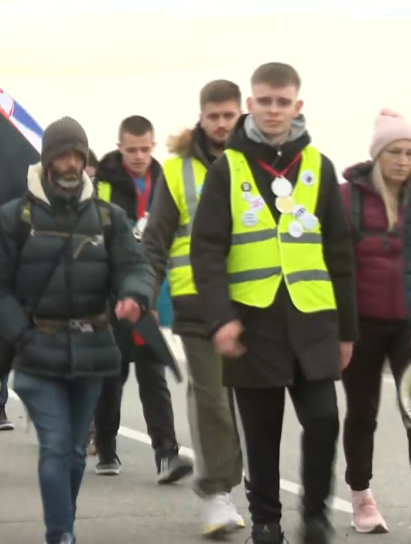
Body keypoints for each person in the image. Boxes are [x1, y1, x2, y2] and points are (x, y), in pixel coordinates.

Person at [190, 62, 356, 544]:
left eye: (283, 102)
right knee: (261, 435)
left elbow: (339, 254)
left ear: (297, 106)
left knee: (325, 419)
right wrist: (220, 317)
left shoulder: (319, 167)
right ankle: (266, 521)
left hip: (313, 323)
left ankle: (317, 514)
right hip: (253, 323)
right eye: (265, 101)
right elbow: (207, 251)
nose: (274, 110)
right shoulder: (229, 168)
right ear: (250, 105)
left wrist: (348, 330)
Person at [0, 116, 154, 544]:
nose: (71, 165)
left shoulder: (110, 219)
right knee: (55, 445)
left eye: (78, 156)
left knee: (74, 453)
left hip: (93, 350)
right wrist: (21, 333)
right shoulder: (14, 217)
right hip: (36, 351)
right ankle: (61, 535)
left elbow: (136, 267)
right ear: (47, 161)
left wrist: (134, 295)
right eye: (62, 156)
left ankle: (63, 526)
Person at [140, 79, 246, 537]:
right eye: (214, 116)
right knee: (213, 399)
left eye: (229, 115)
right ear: (201, 118)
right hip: (196, 302)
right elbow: (156, 240)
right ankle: (216, 491)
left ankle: (252, 489)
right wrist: (144, 292)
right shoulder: (177, 170)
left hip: (254, 299)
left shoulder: (258, 164)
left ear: (241, 115)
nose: (222, 124)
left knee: (253, 402)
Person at [92, 115, 193, 483]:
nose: (138, 156)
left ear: (153, 146)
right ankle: (105, 446)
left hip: (147, 291)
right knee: (112, 376)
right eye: (131, 150)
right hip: (112, 293)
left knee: (153, 373)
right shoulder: (102, 183)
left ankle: (167, 454)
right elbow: (94, 233)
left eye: (145, 149)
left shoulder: (166, 179)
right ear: (120, 148)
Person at [341, 109, 411, 534]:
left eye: (410, 152)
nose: (404, 160)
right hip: (361, 324)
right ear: (379, 155)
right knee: (362, 412)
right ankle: (361, 496)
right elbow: (336, 264)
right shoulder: (347, 197)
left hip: (409, 326)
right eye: (396, 152)